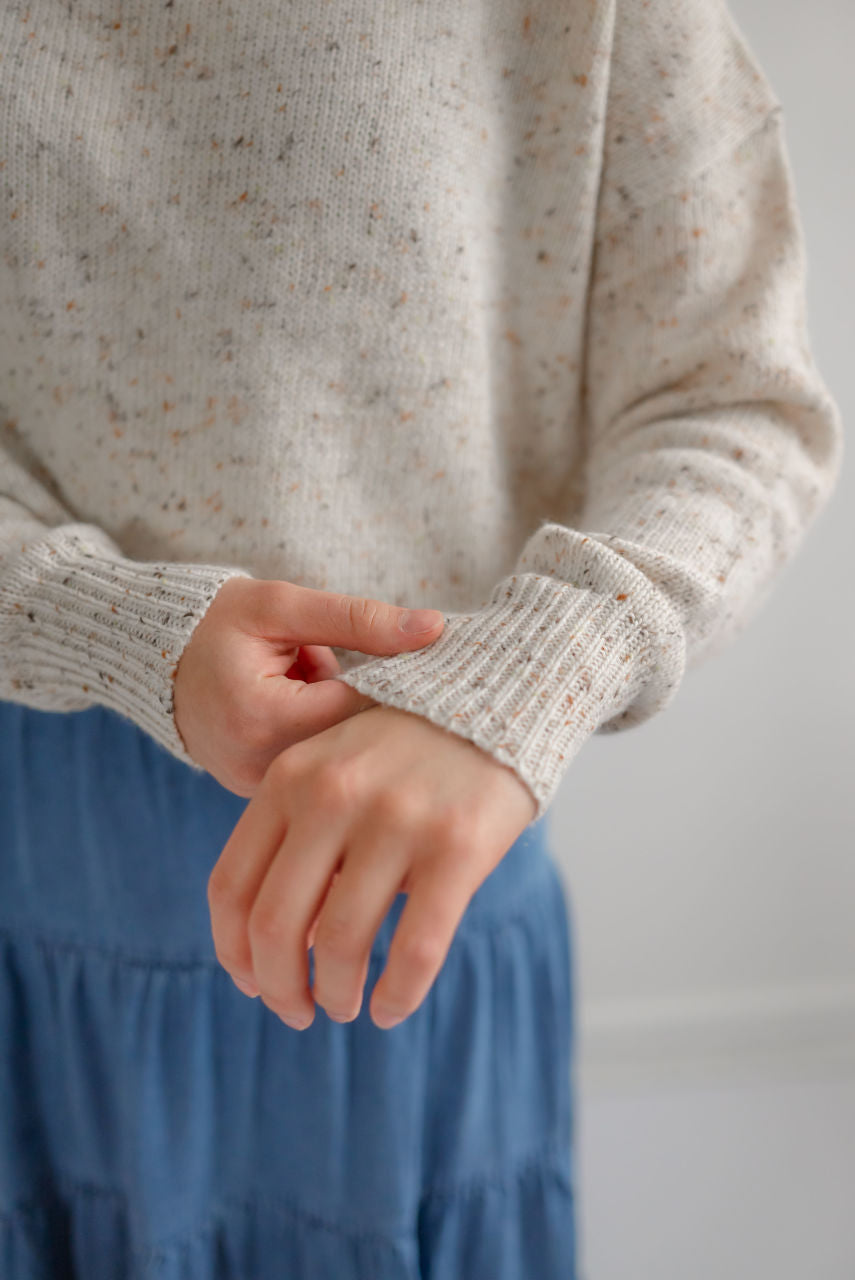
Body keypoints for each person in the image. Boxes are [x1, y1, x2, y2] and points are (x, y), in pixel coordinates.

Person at [0, 1, 842, 1275]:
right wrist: (116, 628)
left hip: (422, 853)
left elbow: (733, 404)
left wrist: (524, 680)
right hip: (35, 835)